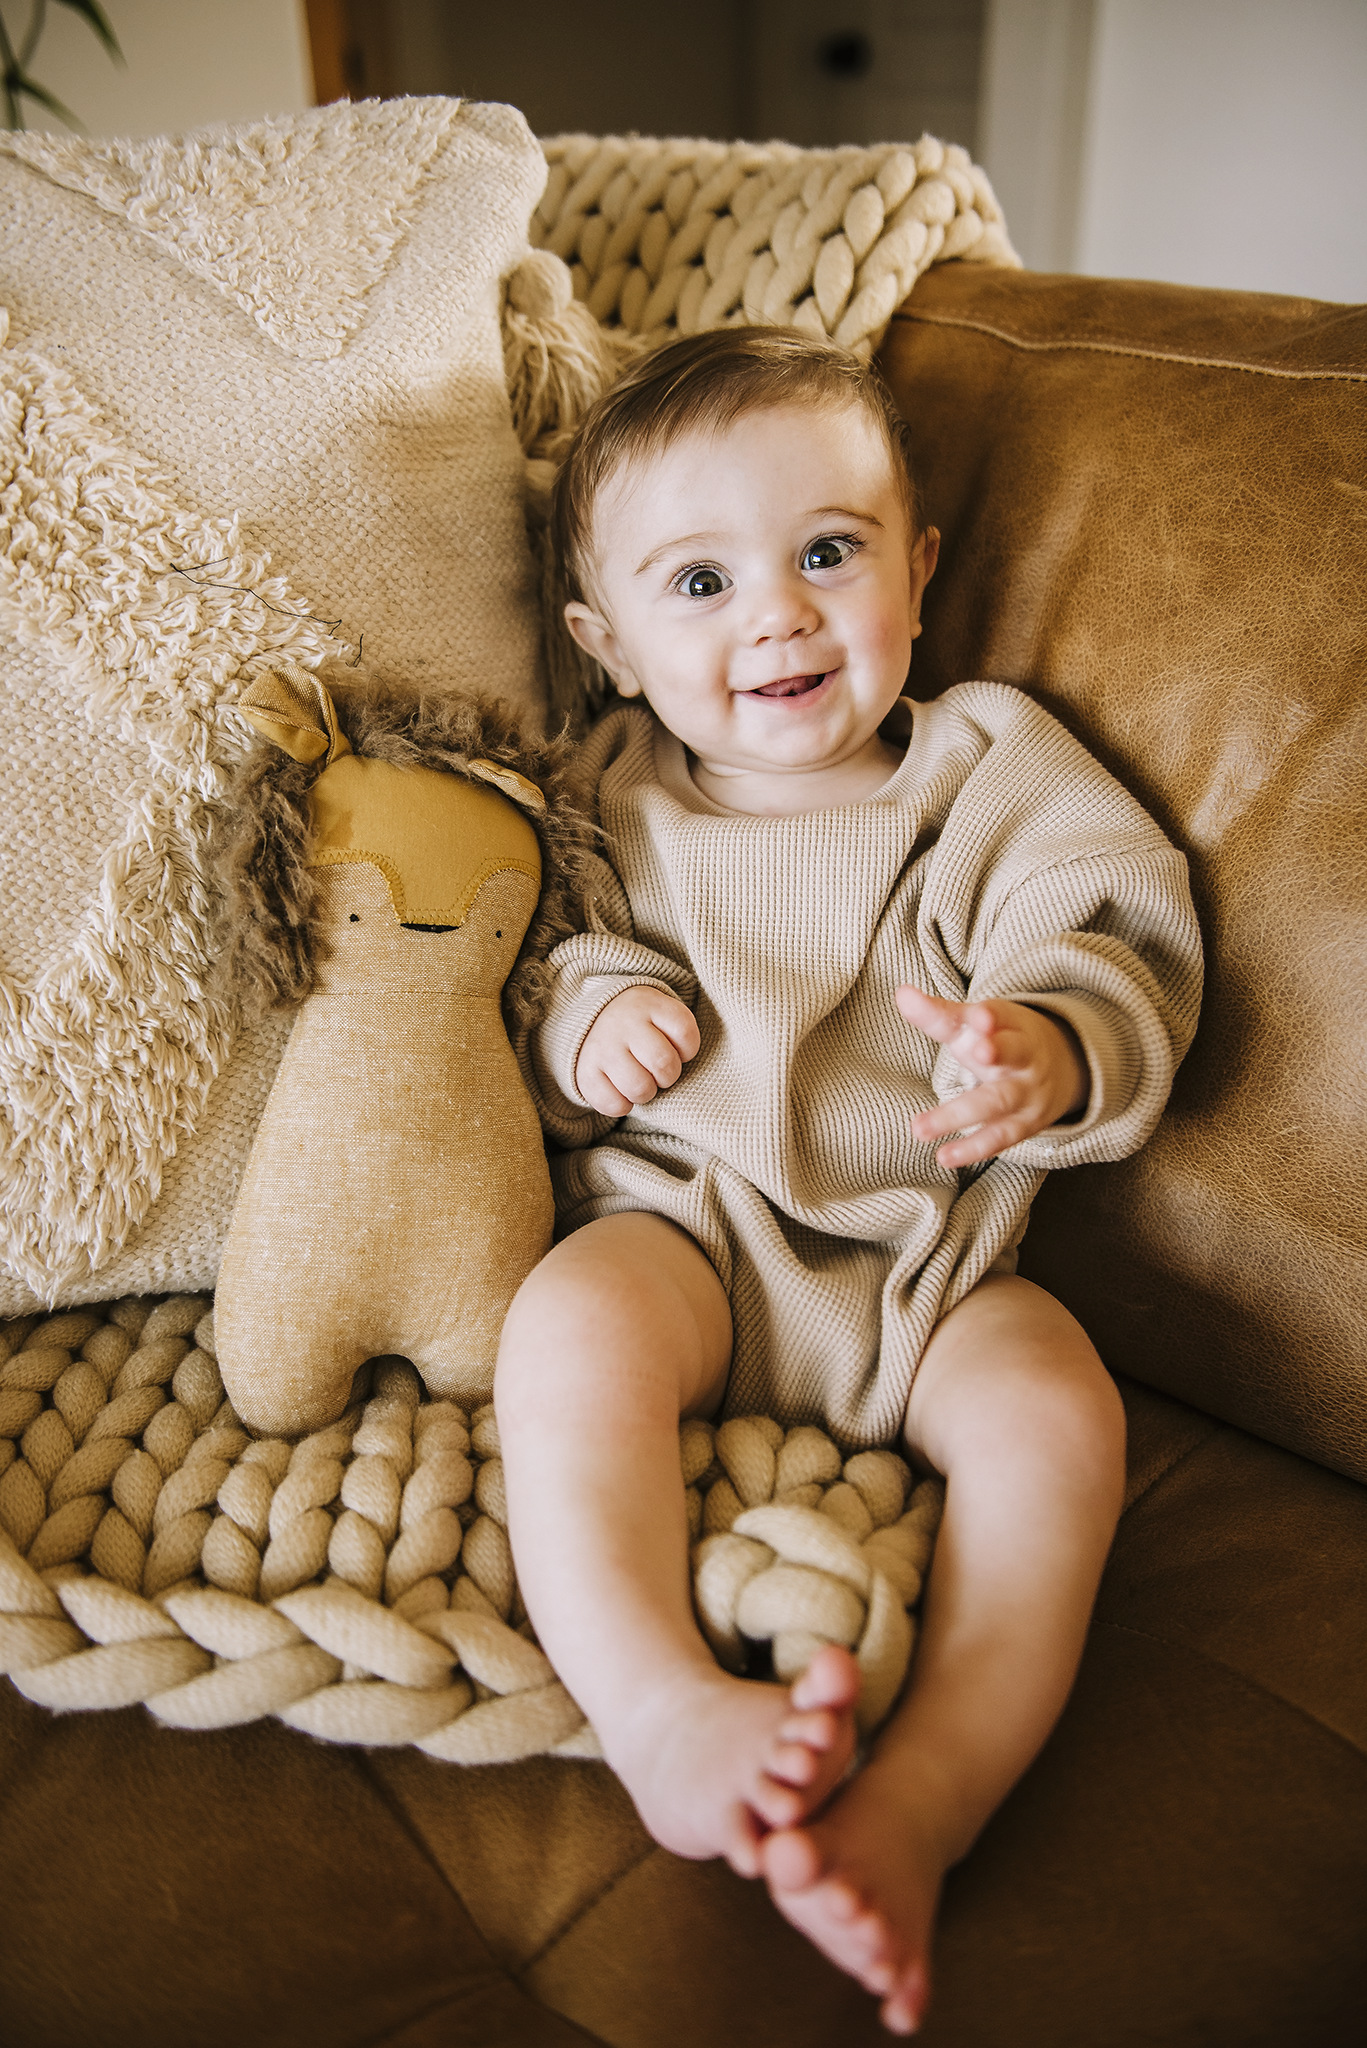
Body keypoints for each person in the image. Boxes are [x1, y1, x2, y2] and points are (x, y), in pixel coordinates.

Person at [495, 328, 1202, 2034]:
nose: (779, 615)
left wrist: (1041, 1039)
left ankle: (934, 1783)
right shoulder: (603, 797)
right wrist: (585, 1015)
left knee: (1058, 1410)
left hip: (927, 1267)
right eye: (700, 580)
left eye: (828, 551)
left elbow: (1118, 929)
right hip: (681, 1233)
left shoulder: (984, 771)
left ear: (915, 566)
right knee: (564, 1332)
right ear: (604, 642)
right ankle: (658, 1707)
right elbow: (521, 958)